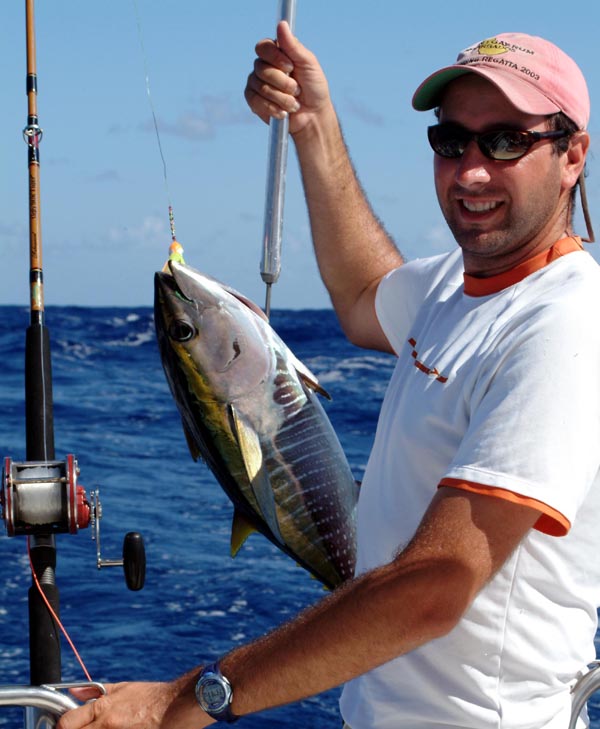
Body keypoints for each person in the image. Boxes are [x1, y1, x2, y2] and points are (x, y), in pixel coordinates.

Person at [58, 23, 600, 729]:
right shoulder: (453, 288)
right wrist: (312, 124)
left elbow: (436, 585)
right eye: (450, 140)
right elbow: (362, 292)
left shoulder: (565, 324)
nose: (471, 170)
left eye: (505, 141)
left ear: (571, 155)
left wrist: (182, 700)